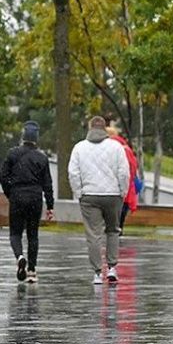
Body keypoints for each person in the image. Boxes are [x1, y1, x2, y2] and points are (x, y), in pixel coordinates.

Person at [68, 116, 130, 286]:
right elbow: (124, 172)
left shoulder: (79, 148)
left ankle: (97, 273)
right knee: (113, 231)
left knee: (93, 234)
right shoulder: (116, 147)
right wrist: (122, 192)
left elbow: (73, 173)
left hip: (89, 195)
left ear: (89, 128)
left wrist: (79, 193)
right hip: (113, 195)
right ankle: (112, 268)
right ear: (105, 128)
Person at [0, 121, 55, 283]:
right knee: (33, 235)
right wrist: (50, 206)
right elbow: (47, 184)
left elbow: (3, 177)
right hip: (35, 197)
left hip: (17, 196)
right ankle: (31, 271)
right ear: (36, 138)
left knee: (15, 233)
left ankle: (20, 256)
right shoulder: (42, 158)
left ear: (23, 137)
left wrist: (10, 193)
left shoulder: (12, 154)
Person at [106, 125, 139, 233]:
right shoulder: (125, 147)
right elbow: (133, 167)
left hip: (113, 188)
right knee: (120, 220)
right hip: (126, 188)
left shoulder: (111, 148)